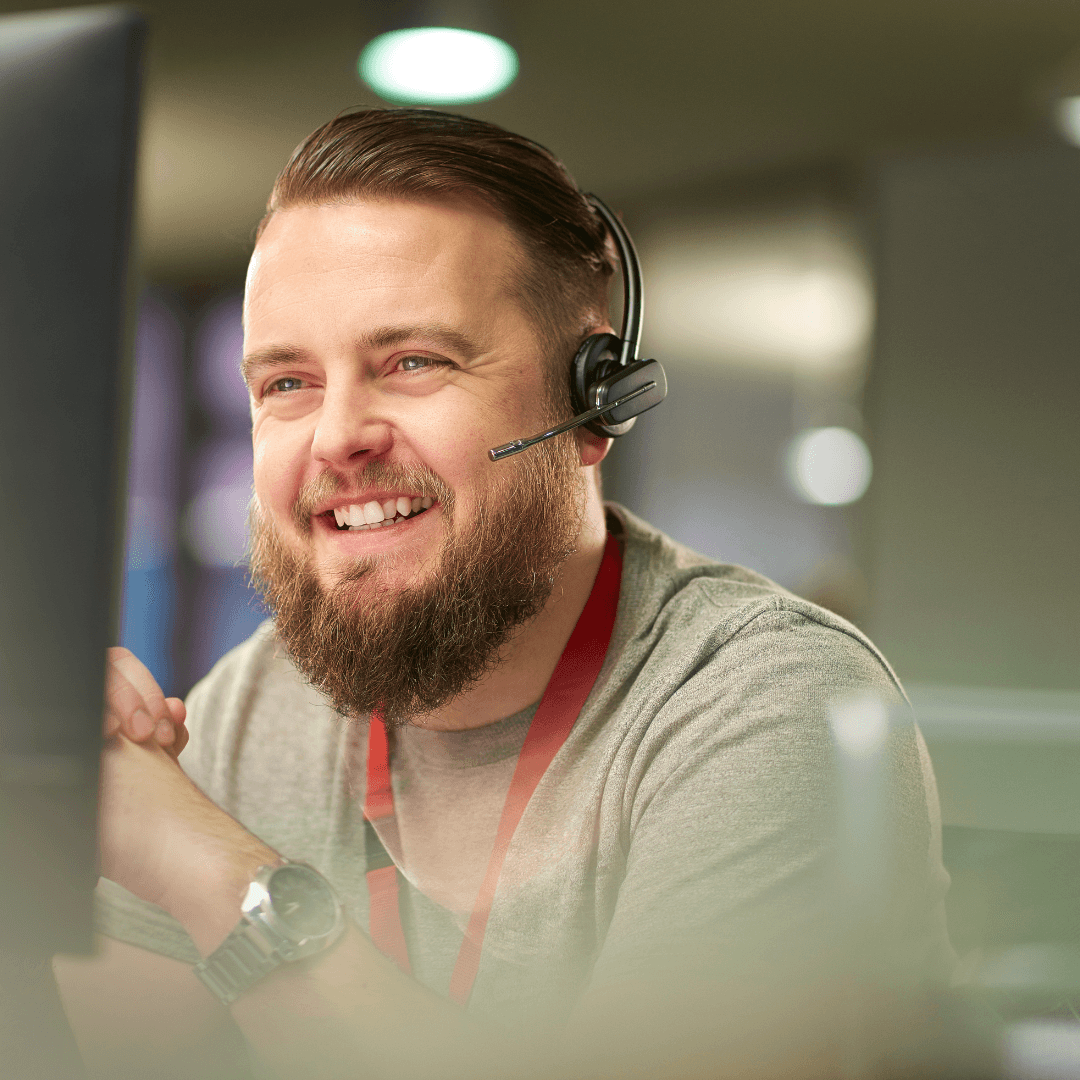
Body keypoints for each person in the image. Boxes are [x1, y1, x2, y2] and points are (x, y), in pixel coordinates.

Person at [54, 109, 954, 1080]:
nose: (338, 436)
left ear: (592, 400)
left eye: (413, 362)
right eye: (287, 383)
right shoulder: (247, 710)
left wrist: (217, 873)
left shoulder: (767, 707)